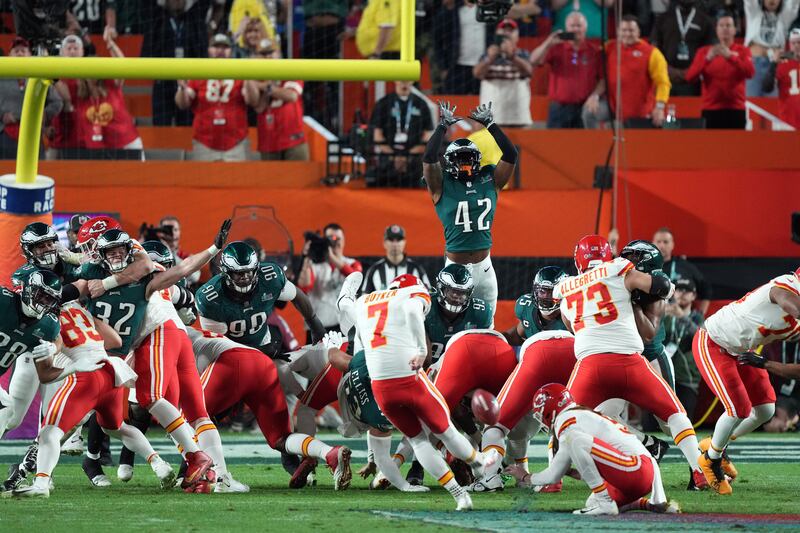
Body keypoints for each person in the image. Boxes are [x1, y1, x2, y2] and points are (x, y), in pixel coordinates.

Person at [76, 222, 233, 492]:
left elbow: (178, 270)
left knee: (150, 398)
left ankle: (197, 457)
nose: (114, 256)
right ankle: (218, 477)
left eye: (119, 251)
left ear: (131, 251)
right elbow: (68, 288)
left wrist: (213, 249)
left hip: (159, 332)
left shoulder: (142, 277)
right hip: (163, 337)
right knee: (190, 412)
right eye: (108, 252)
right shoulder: (89, 281)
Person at [554, 234, 706, 490]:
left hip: (644, 357)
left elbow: (647, 332)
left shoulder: (570, 287)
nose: (628, 260)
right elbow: (663, 286)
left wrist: (629, 300)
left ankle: (707, 461)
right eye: (626, 257)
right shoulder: (619, 272)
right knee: (609, 418)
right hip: (628, 359)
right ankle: (656, 450)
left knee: (566, 418)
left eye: (634, 258)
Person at [11, 300, 177, 498]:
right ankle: (158, 463)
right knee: (116, 428)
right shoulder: (80, 309)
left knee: (49, 432)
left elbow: (49, 363)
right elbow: (115, 341)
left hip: (85, 375)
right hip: (110, 371)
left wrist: (61, 353)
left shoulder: (46, 319)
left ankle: (41, 483)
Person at [353, 273, 485, 511]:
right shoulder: (412, 293)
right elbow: (414, 312)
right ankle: (479, 463)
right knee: (446, 430)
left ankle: (458, 495)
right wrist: (422, 350)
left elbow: (358, 332)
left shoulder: (364, 301)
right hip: (408, 377)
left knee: (418, 441)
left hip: (381, 387)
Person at [190, 328, 353, 490]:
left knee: (189, 418)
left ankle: (217, 478)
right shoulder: (186, 334)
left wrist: (302, 394)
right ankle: (329, 453)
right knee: (280, 438)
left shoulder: (175, 339)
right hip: (263, 365)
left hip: (233, 361)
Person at [691, 268, 800, 494]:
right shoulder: (785, 284)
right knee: (738, 409)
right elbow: (789, 303)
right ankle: (710, 460)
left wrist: (767, 364)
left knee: (766, 410)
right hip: (713, 341)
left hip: (741, 350)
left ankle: (714, 446)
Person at [504, 384, 677, 516]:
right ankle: (645, 504)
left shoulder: (568, 423)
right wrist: (658, 498)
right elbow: (621, 460)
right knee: (590, 502)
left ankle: (605, 503)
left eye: (540, 413)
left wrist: (525, 477)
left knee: (575, 439)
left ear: (549, 410)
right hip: (643, 473)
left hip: (636, 470)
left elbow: (553, 476)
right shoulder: (582, 415)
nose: (541, 418)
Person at [423, 101, 518, 318]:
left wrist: (491, 125)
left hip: (485, 267)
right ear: (449, 163)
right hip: (454, 270)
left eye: (469, 158)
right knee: (454, 328)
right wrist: (442, 127)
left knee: (487, 326)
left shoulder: (489, 179)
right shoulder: (441, 185)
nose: (465, 163)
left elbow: (511, 155)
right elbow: (428, 158)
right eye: (460, 159)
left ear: (477, 161)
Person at [479, 331, 577, 492]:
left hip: (537, 353)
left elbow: (512, 335)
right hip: (578, 352)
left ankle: (490, 479)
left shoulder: (526, 311)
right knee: (580, 422)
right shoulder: (570, 313)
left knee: (495, 425)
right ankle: (609, 479)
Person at [176, 33, 257, 161]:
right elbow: (182, 104)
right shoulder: (198, 72)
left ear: (231, 51)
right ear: (209, 49)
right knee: (204, 181)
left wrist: (249, 79)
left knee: (238, 181)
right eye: (216, 47)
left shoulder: (240, 72)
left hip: (236, 143)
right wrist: (181, 87)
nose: (220, 51)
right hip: (204, 143)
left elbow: (252, 101)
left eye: (225, 47)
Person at [583, 16, 671, 128]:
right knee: (588, 113)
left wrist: (659, 107)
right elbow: (599, 71)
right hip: (613, 106)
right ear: (618, 32)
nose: (627, 34)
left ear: (639, 32)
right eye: (624, 30)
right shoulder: (609, 47)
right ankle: (593, 143)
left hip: (638, 111)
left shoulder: (652, 53)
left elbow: (663, 83)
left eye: (631, 30)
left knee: (612, 128)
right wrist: (595, 95)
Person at [141, 0, 210, 126]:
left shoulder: (193, 18)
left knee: (187, 126)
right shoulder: (157, 17)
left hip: (188, 82)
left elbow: (205, 4)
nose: (176, 1)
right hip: (163, 81)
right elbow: (147, 4)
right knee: (161, 127)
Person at [530, 13, 602, 128]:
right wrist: (548, 43)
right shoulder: (556, 48)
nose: (575, 29)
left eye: (579, 25)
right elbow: (533, 60)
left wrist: (595, 95)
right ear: (566, 28)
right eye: (572, 26)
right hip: (559, 109)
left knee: (584, 145)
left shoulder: (594, 51)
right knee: (555, 145)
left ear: (585, 28)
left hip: (584, 108)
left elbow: (603, 79)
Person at [72, 33, 142, 151]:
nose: (92, 72)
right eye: (89, 69)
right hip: (98, 150)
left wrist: (110, 44)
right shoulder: (80, 94)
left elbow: (124, 66)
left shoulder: (111, 84)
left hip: (127, 144)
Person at [685, 13, 754, 129]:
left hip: (736, 109)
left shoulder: (743, 51)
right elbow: (690, 77)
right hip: (711, 110)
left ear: (734, 30)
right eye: (721, 26)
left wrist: (731, 57)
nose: (725, 29)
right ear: (716, 30)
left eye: (728, 25)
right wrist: (707, 59)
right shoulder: (704, 52)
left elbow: (750, 72)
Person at [245, 40, 310, 161]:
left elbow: (291, 96)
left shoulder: (290, 70)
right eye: (263, 54)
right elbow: (258, 107)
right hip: (268, 142)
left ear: (279, 53)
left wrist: (266, 86)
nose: (268, 57)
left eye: (271, 52)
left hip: (293, 140)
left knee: (298, 178)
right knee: (271, 180)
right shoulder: (256, 75)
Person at [297, 224, 363, 343]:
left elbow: (355, 277)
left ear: (344, 240)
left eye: (338, 238)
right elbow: (305, 287)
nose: (335, 242)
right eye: (330, 239)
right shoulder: (315, 266)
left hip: (344, 326)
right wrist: (307, 256)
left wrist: (331, 256)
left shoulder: (352, 263)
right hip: (318, 327)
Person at [0, 37, 63, 159]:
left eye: (23, 51)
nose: (20, 53)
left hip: (33, 133)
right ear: (8, 55)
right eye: (16, 51)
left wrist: (43, 114)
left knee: (36, 172)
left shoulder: (39, 77)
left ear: (30, 55)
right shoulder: (1, 76)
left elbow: (57, 102)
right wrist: (2, 115)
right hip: (4, 134)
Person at [368, 80, 434, 185]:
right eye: (401, 80)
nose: (404, 84)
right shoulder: (383, 103)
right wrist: (394, 156)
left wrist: (407, 156)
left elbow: (428, 136)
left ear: (412, 81)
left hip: (413, 159)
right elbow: (377, 135)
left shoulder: (421, 104)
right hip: (388, 158)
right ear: (395, 81)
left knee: (419, 179)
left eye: (407, 80)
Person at [425, 265, 494, 364]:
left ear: (469, 293)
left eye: (461, 292)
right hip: (426, 368)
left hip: (462, 368)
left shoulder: (480, 312)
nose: (456, 297)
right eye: (452, 291)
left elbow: (485, 352)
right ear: (441, 288)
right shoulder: (425, 307)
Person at [473, 19, 533, 127]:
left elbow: (529, 71)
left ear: (517, 36)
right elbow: (476, 73)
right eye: (503, 30)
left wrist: (513, 57)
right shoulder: (488, 54)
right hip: (491, 116)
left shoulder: (523, 54)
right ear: (497, 34)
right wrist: (489, 59)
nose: (506, 33)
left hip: (518, 116)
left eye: (511, 31)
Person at [651, 0, 715, 96]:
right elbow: (654, 47)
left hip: (693, 80)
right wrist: (666, 68)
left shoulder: (705, 21)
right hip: (665, 77)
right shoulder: (662, 19)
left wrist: (692, 71)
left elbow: (708, 51)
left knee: (691, 110)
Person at [302, 0, 347, 131]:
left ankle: (335, 122)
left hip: (334, 33)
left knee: (335, 83)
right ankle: (308, 119)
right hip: (313, 32)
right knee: (308, 82)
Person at [664, 277, 705, 418]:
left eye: (687, 291)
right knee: (650, 425)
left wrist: (682, 317)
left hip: (687, 379)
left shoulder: (697, 317)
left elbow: (700, 337)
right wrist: (658, 315)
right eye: (679, 290)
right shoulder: (665, 315)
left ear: (693, 296)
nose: (682, 293)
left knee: (686, 422)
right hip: (664, 378)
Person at [434, 0, 492, 95]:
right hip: (457, 67)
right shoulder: (451, 11)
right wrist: (443, 67)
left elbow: (494, 35)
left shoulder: (488, 10)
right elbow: (437, 41)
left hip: (483, 66)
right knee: (454, 105)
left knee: (484, 105)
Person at [743, 0, 800, 96]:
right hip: (753, 64)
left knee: (772, 107)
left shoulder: (785, 17)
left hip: (774, 65)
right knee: (751, 103)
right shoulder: (754, 12)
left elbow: (794, 2)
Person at [503, 266, 570, 346]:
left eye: (551, 291)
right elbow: (516, 336)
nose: (545, 296)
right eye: (542, 291)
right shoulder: (527, 307)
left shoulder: (572, 313)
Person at [652, 227, 711, 316]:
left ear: (672, 245)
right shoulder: (645, 267)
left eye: (665, 242)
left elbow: (706, 290)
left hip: (679, 320)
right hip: (653, 318)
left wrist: (700, 315)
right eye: (658, 242)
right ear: (653, 244)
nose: (662, 245)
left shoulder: (685, 266)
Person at [362, 225, 430, 293]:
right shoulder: (374, 270)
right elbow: (364, 297)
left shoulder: (416, 269)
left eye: (399, 240)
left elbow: (428, 294)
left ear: (404, 242)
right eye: (391, 239)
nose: (395, 244)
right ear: (384, 243)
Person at [763, 28, 800, 128]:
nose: (796, 46)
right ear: (789, 45)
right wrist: (773, 64)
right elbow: (767, 87)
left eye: (799, 42)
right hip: (788, 121)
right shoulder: (781, 65)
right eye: (793, 43)